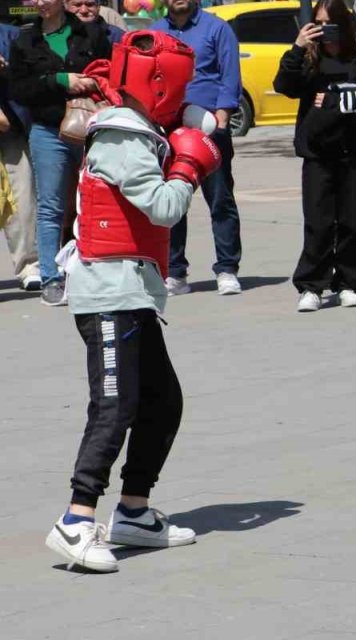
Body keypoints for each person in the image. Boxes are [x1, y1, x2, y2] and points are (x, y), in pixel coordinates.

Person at [44, 31, 221, 573]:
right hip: (107, 293)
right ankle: (76, 520)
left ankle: (134, 512)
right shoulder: (124, 137)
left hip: (132, 289)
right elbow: (164, 207)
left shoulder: (138, 129)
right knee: (114, 405)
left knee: (162, 402)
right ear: (161, 85)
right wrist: (189, 166)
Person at [274, 0, 356, 312]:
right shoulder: (310, 63)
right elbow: (284, 85)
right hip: (318, 156)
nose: (325, 30)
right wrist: (298, 46)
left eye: (331, 23)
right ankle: (312, 285)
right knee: (318, 223)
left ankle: (348, 282)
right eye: (319, 23)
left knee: (351, 222)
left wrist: (335, 101)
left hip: (353, 155)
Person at [9, 0, 111, 306]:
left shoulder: (91, 33)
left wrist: (93, 81)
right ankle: (51, 278)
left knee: (95, 203)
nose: (40, 4)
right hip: (48, 132)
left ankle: (95, 272)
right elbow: (19, 90)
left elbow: (112, 74)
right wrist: (59, 80)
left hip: (91, 128)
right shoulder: (25, 40)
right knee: (50, 207)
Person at [151, 0, 244, 297]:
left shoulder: (217, 28)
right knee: (171, 201)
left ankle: (227, 269)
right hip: (168, 129)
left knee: (220, 200)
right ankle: (174, 271)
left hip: (208, 128)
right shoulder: (155, 32)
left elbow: (230, 74)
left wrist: (222, 118)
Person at [0, 21, 39, 292]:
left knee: (23, 198)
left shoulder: (12, 35)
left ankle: (29, 265)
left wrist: (8, 70)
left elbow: (31, 77)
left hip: (13, 129)